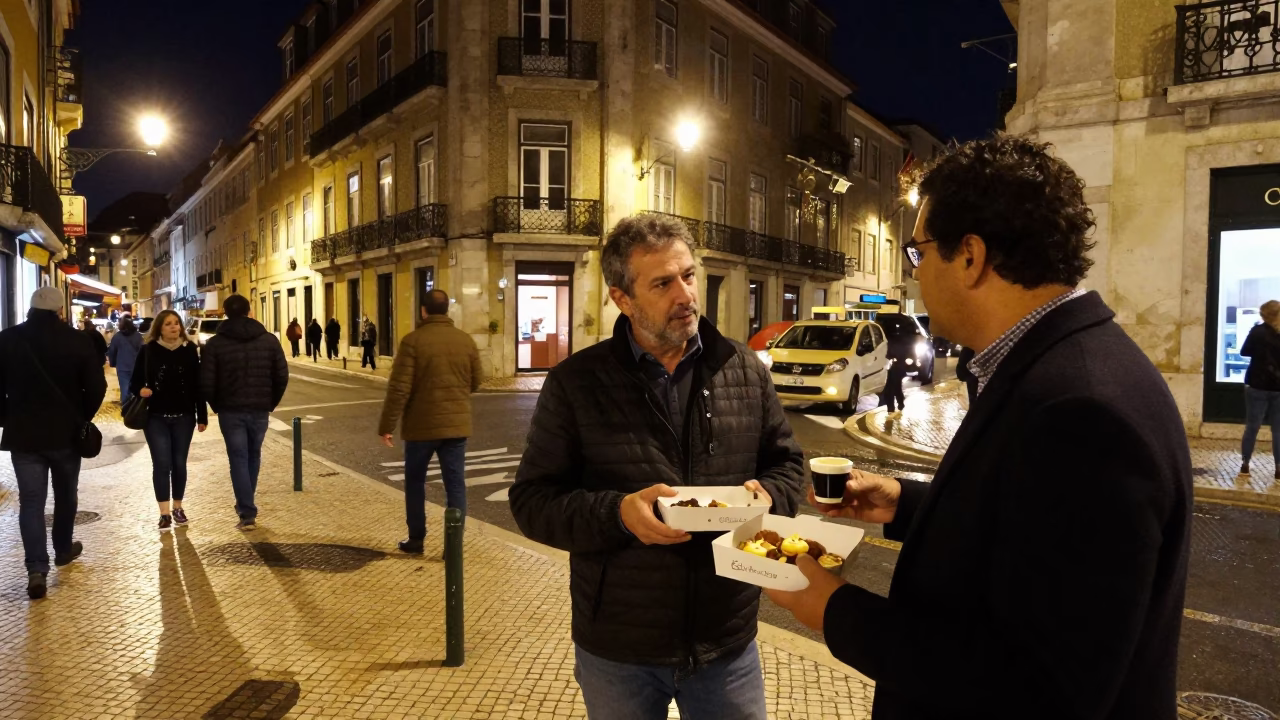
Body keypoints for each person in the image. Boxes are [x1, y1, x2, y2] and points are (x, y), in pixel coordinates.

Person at [765, 136, 1193, 719]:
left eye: (918, 254)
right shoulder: (1063, 365)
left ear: (969, 256)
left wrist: (834, 610)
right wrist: (906, 504)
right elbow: (1026, 527)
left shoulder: (1082, 411)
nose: (915, 277)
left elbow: (1038, 686)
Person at [510, 214, 805, 720]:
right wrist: (618, 514)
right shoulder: (575, 383)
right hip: (619, 647)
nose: (686, 295)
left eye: (688, 275)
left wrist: (770, 498)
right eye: (663, 283)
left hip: (726, 640)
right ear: (621, 298)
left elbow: (787, 463)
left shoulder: (743, 368)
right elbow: (533, 502)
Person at [0, 287, 107, 599]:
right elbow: (97, 386)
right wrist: (82, 415)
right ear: (61, 310)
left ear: (30, 308)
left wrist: (7, 418)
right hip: (66, 435)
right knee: (65, 495)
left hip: (24, 436)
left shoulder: (6, 340)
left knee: (31, 503)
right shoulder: (77, 340)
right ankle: (62, 548)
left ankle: (36, 568)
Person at [378, 290, 483, 553]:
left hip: (420, 428)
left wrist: (387, 426)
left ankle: (416, 539)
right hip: (455, 428)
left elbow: (399, 389)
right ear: (446, 310)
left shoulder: (413, 342)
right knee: (455, 485)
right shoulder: (465, 341)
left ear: (423, 311)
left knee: (415, 482)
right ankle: (454, 546)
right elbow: (477, 381)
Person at [200, 294, 289, 531]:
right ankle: (246, 506)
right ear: (250, 311)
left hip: (230, 410)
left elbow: (206, 381)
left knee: (238, 458)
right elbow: (281, 375)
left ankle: (247, 512)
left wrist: (217, 405)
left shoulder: (215, 344)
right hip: (259, 409)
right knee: (253, 455)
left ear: (225, 313)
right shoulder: (269, 340)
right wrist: (270, 402)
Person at [129, 309, 208, 533]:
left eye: (176, 323)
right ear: (159, 329)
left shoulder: (190, 350)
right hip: (155, 417)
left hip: (184, 417)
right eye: (168, 324)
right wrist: (141, 390)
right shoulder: (148, 351)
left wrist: (201, 416)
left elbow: (198, 386)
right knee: (162, 465)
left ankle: (178, 507)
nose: (174, 327)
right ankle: (164, 513)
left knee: (179, 463)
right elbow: (134, 383)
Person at [1240, 299, 1280, 479]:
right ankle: (1279, 468)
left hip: (1256, 383)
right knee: (1278, 430)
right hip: (1278, 386)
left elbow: (1244, 351)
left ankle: (1245, 463)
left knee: (1252, 426)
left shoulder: (1257, 332)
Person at [107, 315, 143, 404]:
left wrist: (113, 363)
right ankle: (135, 409)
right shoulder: (138, 336)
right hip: (136, 366)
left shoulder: (117, 336)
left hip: (122, 366)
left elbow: (112, 351)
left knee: (124, 389)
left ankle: (126, 410)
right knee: (135, 388)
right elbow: (142, 351)